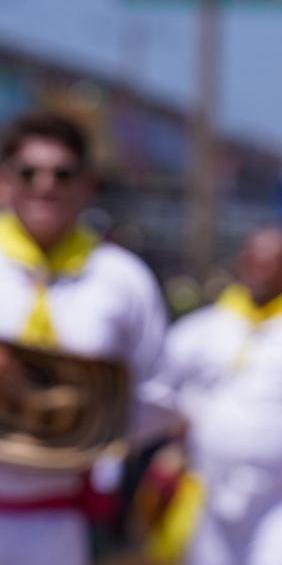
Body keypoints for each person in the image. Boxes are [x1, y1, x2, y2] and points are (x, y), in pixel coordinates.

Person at [0, 112, 168, 564]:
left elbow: (157, 389)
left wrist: (93, 433)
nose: (45, 185)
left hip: (66, 517)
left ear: (86, 185)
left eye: (62, 173)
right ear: (4, 180)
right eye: (28, 172)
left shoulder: (123, 277)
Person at [146, 227, 282, 565]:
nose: (259, 270)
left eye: (271, 263)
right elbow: (158, 390)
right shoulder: (204, 327)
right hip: (210, 496)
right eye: (253, 261)